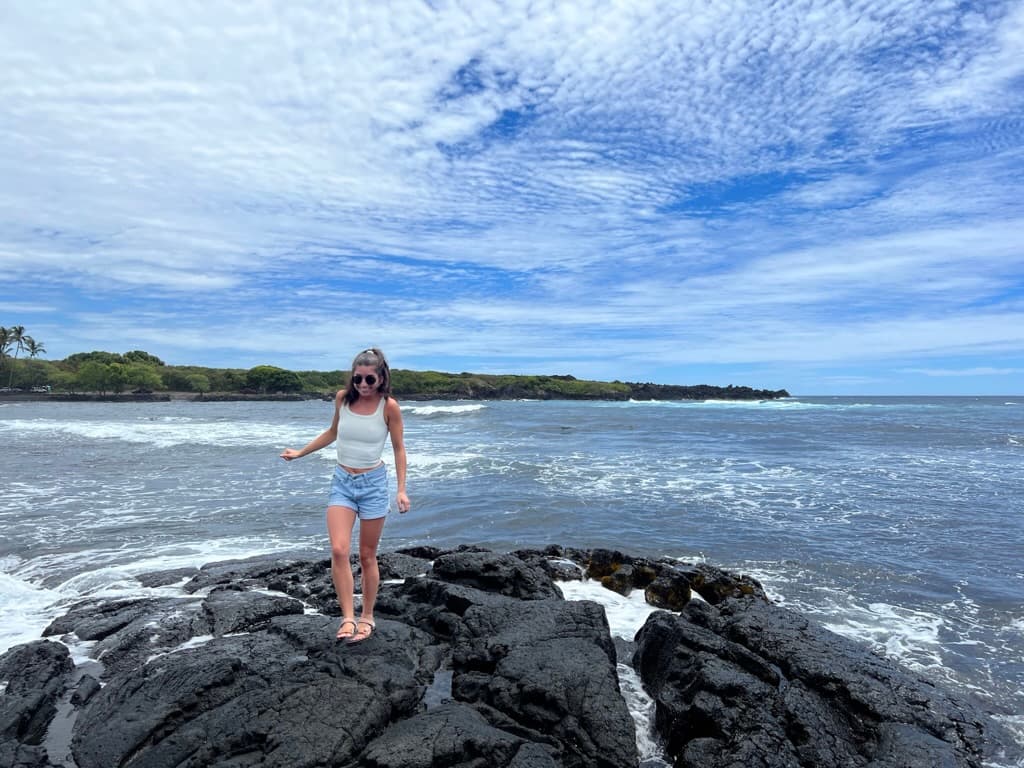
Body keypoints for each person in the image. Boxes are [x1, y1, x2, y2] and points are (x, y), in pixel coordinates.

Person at [280, 347, 410, 642]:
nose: (363, 385)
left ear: (381, 378)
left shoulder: (388, 406)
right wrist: (300, 452)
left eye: (369, 380)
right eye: (358, 379)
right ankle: (348, 617)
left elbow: (399, 448)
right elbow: (332, 432)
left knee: (367, 556)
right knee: (339, 550)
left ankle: (367, 616)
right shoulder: (342, 398)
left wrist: (401, 490)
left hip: (374, 485)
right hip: (342, 482)